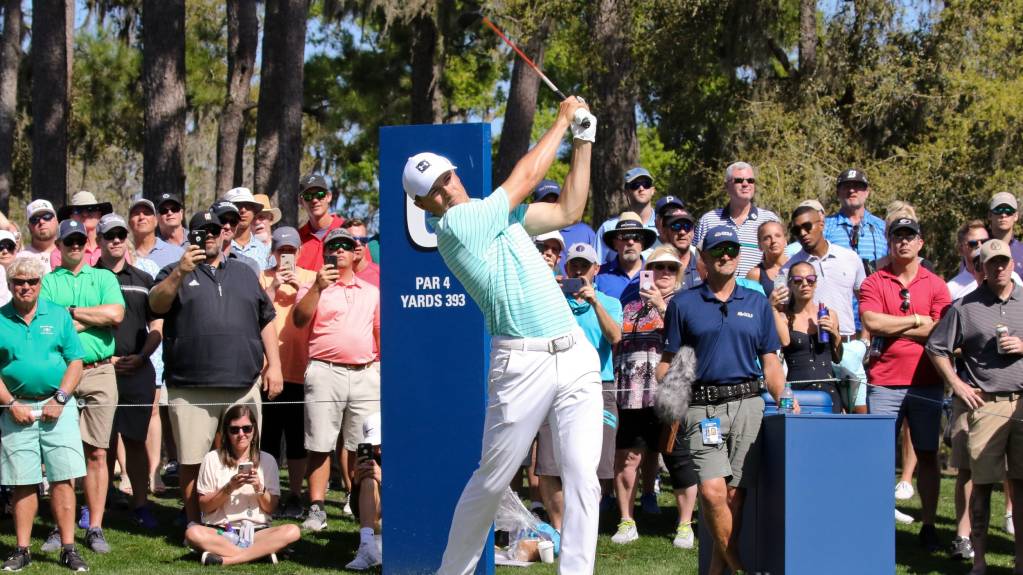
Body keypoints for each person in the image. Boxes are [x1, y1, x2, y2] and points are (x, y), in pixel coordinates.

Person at [403, 96, 599, 575]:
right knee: (492, 480)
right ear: (422, 203)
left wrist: (584, 139)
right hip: (522, 362)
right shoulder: (454, 226)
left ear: (454, 173)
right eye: (434, 190)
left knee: (583, 479)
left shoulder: (501, 216)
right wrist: (559, 120)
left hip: (573, 352)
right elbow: (527, 177)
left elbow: (570, 208)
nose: (446, 191)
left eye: (447, 178)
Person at [656, 226, 791, 575]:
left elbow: (771, 362)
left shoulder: (758, 302)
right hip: (702, 408)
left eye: (731, 249)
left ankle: (719, 572)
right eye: (718, 251)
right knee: (713, 491)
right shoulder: (683, 304)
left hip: (750, 405)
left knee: (735, 497)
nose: (726, 256)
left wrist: (785, 395)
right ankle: (740, 568)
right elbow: (667, 365)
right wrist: (671, 388)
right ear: (704, 258)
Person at [149, 210, 283, 525]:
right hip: (190, 386)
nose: (208, 236)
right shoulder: (172, 271)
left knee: (246, 458)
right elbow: (156, 304)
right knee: (193, 462)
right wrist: (180, 272)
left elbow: (266, 320)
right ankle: (197, 524)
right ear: (188, 236)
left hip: (242, 383)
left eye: (213, 230)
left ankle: (249, 522)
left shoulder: (244, 273)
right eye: (200, 231)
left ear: (223, 234)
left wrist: (274, 365)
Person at [927, 238, 1023, 573]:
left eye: (1003, 261)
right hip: (985, 405)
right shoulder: (965, 307)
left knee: (1021, 485)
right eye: (990, 262)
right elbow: (936, 347)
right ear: (980, 267)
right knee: (981, 485)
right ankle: (979, 562)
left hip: (1022, 404)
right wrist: (956, 384)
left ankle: (1020, 562)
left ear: (1013, 264)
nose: (998, 267)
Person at [859, 216, 951, 552]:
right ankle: (877, 522)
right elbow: (871, 321)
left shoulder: (936, 284)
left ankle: (928, 524)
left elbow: (941, 330)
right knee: (879, 456)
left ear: (920, 243)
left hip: (926, 381)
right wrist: (915, 320)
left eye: (910, 236)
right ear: (890, 242)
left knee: (927, 454)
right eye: (898, 236)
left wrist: (893, 326)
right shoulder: (875, 282)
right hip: (884, 381)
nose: (904, 242)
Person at [40, 218, 125, 555]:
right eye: (69, 242)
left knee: (98, 452)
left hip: (101, 372)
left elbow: (116, 314)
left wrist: (73, 313)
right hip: (61, 373)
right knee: (61, 454)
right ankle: (62, 528)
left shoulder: (103, 277)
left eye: (79, 241)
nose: (74, 246)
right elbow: (50, 325)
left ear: (86, 245)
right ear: (59, 247)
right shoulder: (47, 283)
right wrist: (93, 317)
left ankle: (95, 527)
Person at [0, 256, 90, 573]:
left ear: (40, 283)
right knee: (21, 482)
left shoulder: (58, 315)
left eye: (32, 281)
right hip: (17, 407)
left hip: (58, 406)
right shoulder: (0, 318)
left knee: (63, 479)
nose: (26, 287)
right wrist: (11, 403)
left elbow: (75, 360)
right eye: (19, 282)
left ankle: (68, 548)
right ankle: (22, 549)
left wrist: (61, 398)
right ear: (10, 285)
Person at [293, 228, 380, 533]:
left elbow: (378, 333)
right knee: (319, 443)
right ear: (326, 252)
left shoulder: (371, 292)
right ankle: (317, 507)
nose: (340, 250)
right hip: (324, 370)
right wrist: (317, 286)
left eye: (346, 245)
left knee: (363, 445)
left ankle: (358, 500)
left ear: (356, 252)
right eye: (334, 245)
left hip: (365, 372)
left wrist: (377, 369)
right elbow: (299, 320)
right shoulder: (313, 286)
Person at [613, 246, 699, 549]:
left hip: (670, 394)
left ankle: (685, 524)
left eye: (670, 269)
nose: (663, 273)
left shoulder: (686, 303)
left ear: (678, 275)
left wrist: (662, 307)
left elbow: (690, 340)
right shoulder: (629, 304)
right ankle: (627, 520)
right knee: (628, 457)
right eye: (657, 267)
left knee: (678, 459)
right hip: (633, 393)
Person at [534, 243, 621, 541]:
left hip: (599, 385)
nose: (579, 271)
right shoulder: (550, 300)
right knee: (547, 464)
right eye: (574, 266)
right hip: (555, 382)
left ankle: (580, 530)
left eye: (585, 266)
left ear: (596, 270)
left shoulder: (609, 302)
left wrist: (594, 303)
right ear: (565, 269)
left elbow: (615, 336)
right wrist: (550, 290)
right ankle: (560, 531)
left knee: (591, 467)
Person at [94, 213, 163, 529]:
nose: (116, 240)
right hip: (98, 370)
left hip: (137, 368)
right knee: (99, 442)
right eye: (109, 236)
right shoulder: (88, 278)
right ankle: (99, 503)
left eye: (121, 234)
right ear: (99, 241)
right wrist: (102, 361)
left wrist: (141, 356)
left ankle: (141, 503)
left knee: (134, 439)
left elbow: (157, 326)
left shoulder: (143, 279)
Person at [184, 404, 301, 566]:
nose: (241, 434)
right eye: (234, 430)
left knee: (293, 531)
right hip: (222, 531)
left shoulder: (267, 460)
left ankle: (225, 560)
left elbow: (271, 508)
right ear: (226, 432)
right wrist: (229, 488)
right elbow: (204, 507)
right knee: (193, 533)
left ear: (254, 431)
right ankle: (262, 553)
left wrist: (260, 488)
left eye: (246, 429)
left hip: (257, 531)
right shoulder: (212, 459)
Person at [780, 204, 868, 413]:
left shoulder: (849, 258)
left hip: (847, 344)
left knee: (858, 419)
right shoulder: (789, 268)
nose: (802, 233)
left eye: (807, 226)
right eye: (796, 230)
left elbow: (865, 299)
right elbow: (782, 312)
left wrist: (865, 340)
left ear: (821, 224)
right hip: (806, 349)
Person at [258, 226, 315, 520]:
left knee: (297, 439)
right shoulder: (262, 278)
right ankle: (269, 495)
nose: (286, 256)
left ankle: (295, 493)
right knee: (268, 438)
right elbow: (253, 313)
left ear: (299, 251)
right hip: (269, 370)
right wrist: (273, 288)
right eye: (281, 251)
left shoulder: (310, 278)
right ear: (273, 253)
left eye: (291, 250)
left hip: (301, 369)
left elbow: (314, 316)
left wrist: (298, 290)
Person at [770, 261, 844, 411]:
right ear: (790, 285)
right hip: (798, 394)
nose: (805, 284)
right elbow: (784, 341)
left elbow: (838, 357)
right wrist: (772, 307)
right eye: (798, 280)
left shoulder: (830, 314)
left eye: (810, 279)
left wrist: (835, 334)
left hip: (829, 392)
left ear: (816, 283)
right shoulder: (784, 317)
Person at [694, 162, 780, 277]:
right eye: (739, 180)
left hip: (757, 292)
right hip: (717, 291)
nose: (745, 184)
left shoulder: (769, 220)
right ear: (726, 186)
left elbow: (781, 260)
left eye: (750, 180)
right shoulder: (708, 220)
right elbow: (696, 260)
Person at [823, 168, 889, 275]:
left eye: (857, 186)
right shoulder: (824, 226)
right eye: (846, 186)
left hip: (877, 289)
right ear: (837, 193)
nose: (852, 190)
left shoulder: (882, 227)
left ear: (867, 192)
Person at [595, 167, 658, 265]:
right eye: (635, 185)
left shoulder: (664, 226)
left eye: (646, 184)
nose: (641, 188)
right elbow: (596, 267)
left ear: (653, 190)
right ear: (626, 192)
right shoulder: (608, 228)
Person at [532, 179, 597, 273]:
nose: (551, 206)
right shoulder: (526, 232)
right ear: (534, 204)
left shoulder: (585, 232)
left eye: (555, 201)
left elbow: (595, 269)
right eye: (545, 201)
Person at [346, 412, 383, 571]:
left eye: (381, 443)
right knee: (368, 480)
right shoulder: (367, 459)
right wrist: (356, 482)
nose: (378, 450)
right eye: (374, 446)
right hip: (373, 513)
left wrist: (384, 478)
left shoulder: (405, 453)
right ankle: (367, 545)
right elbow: (355, 507)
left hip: (402, 512)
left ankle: (376, 543)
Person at [595, 212, 657, 301]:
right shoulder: (599, 275)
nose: (630, 242)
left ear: (643, 244)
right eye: (624, 236)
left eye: (636, 237)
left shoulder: (656, 273)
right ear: (615, 243)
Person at [51, 191, 112, 269]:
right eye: (78, 210)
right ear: (70, 216)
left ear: (100, 214)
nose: (85, 214)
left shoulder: (114, 245)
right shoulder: (59, 253)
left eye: (91, 209)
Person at [296, 174, 345, 271]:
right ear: (301, 202)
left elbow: (364, 271)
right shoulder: (296, 239)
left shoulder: (346, 230)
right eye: (308, 196)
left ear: (329, 197)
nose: (314, 200)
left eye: (320, 195)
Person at [128, 197, 184, 270]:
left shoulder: (178, 254)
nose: (141, 217)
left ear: (156, 221)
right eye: (136, 214)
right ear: (129, 223)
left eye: (146, 213)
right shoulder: (123, 256)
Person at [222, 187, 272, 270]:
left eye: (248, 206)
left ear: (254, 212)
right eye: (237, 206)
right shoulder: (217, 247)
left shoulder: (265, 252)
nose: (243, 210)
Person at [210, 200, 263, 277]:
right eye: (222, 220)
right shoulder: (197, 261)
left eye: (233, 221)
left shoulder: (249, 266)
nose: (227, 226)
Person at [746, 220, 788, 295]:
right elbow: (750, 304)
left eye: (778, 236)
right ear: (759, 245)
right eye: (767, 238)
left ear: (785, 240)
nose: (773, 241)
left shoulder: (798, 267)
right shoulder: (755, 275)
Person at [17, 199, 59, 274]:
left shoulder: (70, 253)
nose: (41, 221)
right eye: (35, 219)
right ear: (29, 227)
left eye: (47, 216)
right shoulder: (20, 259)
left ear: (56, 221)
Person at [987, 192, 1023, 279]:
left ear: (1016, 216)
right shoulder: (980, 249)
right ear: (989, 215)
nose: (1003, 215)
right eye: (998, 210)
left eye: (1008, 211)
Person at [341, 218, 379, 285]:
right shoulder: (333, 276)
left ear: (367, 244)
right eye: (353, 239)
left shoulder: (380, 274)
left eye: (363, 239)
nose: (358, 243)